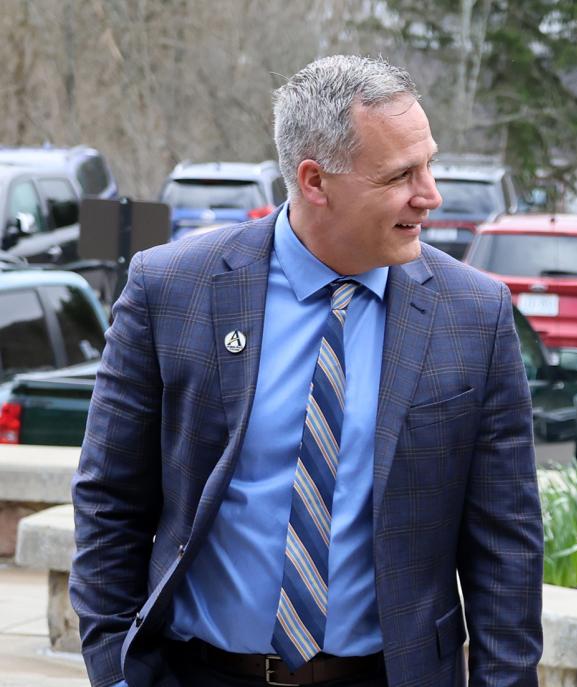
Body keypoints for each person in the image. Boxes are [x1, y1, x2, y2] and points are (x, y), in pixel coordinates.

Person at [70, 55, 543, 687]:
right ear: (315, 181)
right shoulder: (173, 288)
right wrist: (116, 672)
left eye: (429, 164)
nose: (430, 195)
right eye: (401, 175)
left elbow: (506, 546)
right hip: (200, 672)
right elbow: (109, 499)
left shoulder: (473, 313)